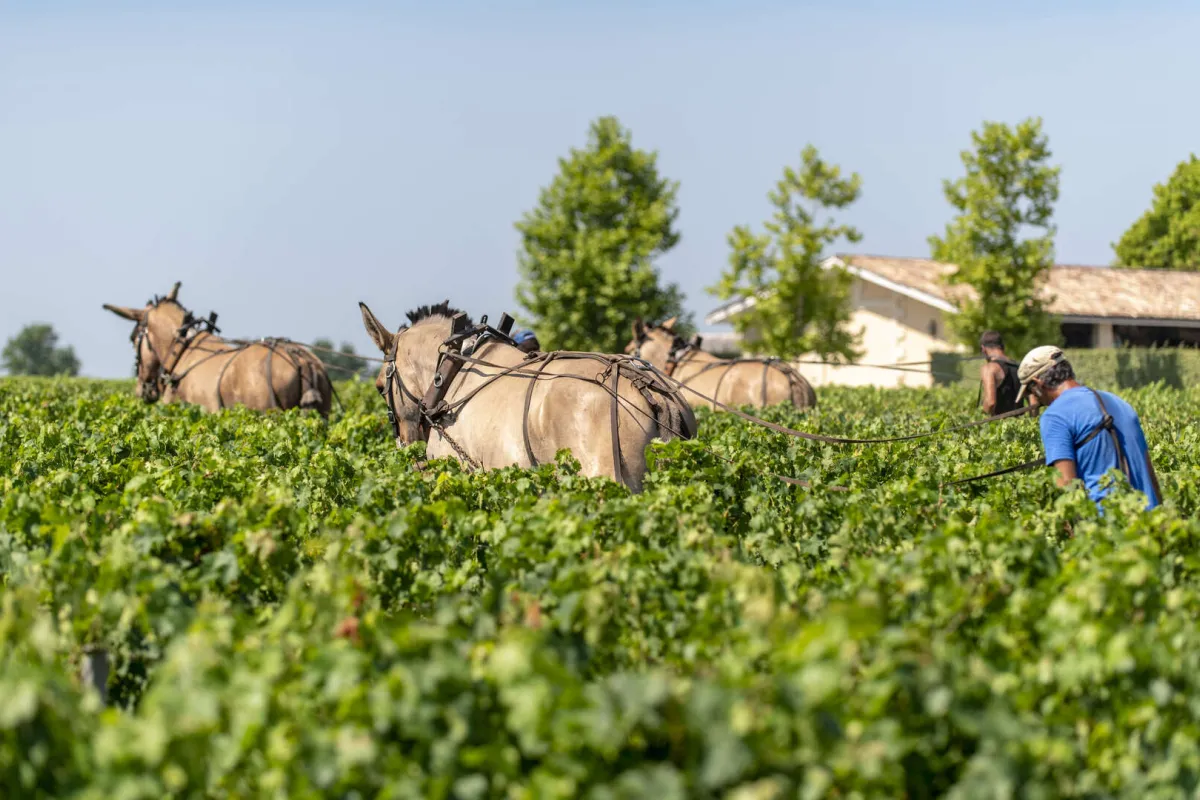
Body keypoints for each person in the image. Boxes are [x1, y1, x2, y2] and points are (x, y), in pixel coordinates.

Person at [1015, 345, 1161, 510]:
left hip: (1106, 522)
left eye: (1030, 392)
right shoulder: (1120, 403)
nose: (1035, 399)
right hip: (1151, 518)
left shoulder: (1055, 416)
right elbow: (1150, 476)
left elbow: (1067, 489)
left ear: (1038, 383)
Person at [978, 331, 1024, 416]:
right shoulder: (1020, 367)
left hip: (998, 423)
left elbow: (990, 402)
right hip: (1020, 422)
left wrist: (984, 420)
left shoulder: (989, 368)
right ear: (1002, 347)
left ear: (983, 349)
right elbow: (1033, 402)